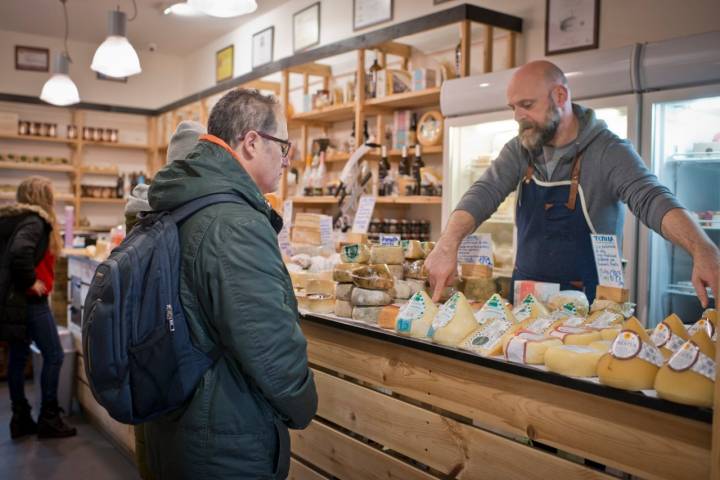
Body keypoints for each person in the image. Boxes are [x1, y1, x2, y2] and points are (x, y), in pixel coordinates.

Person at [426, 60, 720, 307]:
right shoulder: (520, 149)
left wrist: (702, 249)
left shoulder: (608, 150)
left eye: (526, 105)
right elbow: (483, 193)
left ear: (560, 96)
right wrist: (447, 244)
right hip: (527, 301)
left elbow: (652, 198)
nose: (518, 117)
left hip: (589, 306)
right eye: (513, 107)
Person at [144, 89, 317, 479]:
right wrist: (304, 405)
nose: (288, 159)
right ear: (252, 142)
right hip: (224, 438)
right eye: (283, 145)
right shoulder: (234, 222)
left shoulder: (189, 198)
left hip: (182, 418)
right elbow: (268, 345)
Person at [124, 119, 206, 480]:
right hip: (179, 358)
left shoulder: (143, 209)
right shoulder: (191, 212)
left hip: (144, 350)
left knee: (155, 450)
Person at [0, 176, 77, 439]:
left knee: (18, 358)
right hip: (31, 301)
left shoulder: (15, 219)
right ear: (43, 197)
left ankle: (20, 418)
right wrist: (32, 282)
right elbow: (20, 253)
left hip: (14, 302)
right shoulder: (35, 222)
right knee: (54, 355)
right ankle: (49, 417)